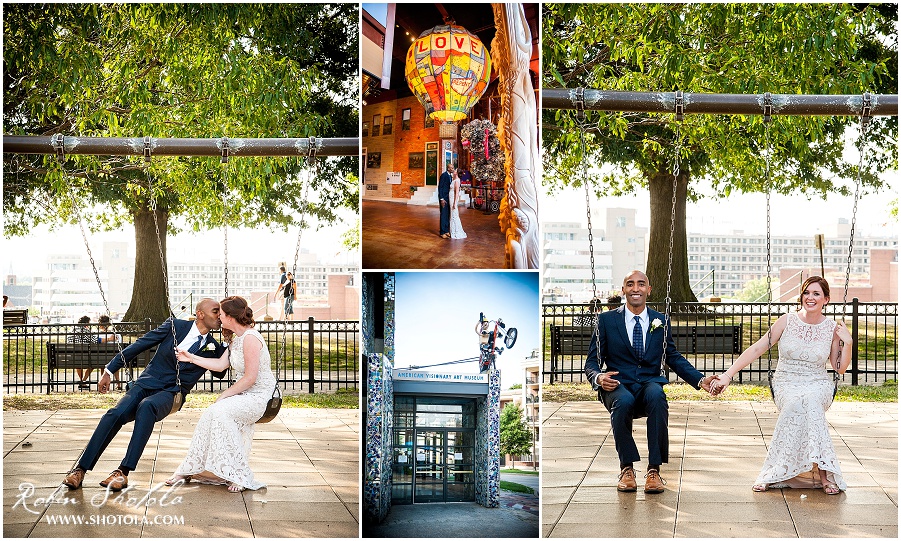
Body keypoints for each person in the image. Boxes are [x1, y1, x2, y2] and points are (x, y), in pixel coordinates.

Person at [62, 299, 227, 492]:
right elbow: (140, 345)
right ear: (200, 314)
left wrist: (228, 339)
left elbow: (220, 372)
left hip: (172, 392)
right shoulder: (175, 326)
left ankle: (122, 472)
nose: (219, 316)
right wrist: (109, 370)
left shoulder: (214, 346)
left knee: (147, 406)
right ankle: (80, 470)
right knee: (114, 414)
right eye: (216, 311)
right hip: (146, 383)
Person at [710, 276, 852, 495]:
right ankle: (777, 472)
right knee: (797, 403)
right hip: (787, 381)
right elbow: (757, 348)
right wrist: (729, 374)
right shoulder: (787, 321)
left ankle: (824, 473)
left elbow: (839, 368)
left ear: (826, 299)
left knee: (811, 402)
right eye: (806, 293)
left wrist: (847, 342)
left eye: (816, 294)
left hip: (817, 382)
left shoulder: (832, 328)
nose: (810, 298)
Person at [584, 270, 715, 493]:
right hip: (617, 384)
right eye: (630, 284)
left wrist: (700, 379)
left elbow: (672, 356)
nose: (636, 288)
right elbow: (591, 362)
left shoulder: (660, 320)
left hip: (648, 383)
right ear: (623, 289)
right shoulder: (606, 320)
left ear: (649, 289)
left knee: (657, 396)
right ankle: (627, 468)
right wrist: (598, 377)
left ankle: (654, 471)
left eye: (641, 284)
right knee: (623, 401)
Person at [166, 296, 275, 492]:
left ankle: (238, 474)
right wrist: (190, 358)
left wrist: (225, 395)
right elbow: (220, 364)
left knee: (220, 412)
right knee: (211, 413)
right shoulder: (237, 339)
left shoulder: (251, 338)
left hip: (259, 396)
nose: (219, 318)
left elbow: (250, 377)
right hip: (244, 395)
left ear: (230, 317)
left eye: (221, 314)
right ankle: (192, 468)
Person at [67, 315, 97, 390]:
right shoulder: (86, 331)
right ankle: (83, 380)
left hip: (72, 358)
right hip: (85, 358)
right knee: (94, 362)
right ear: (87, 323)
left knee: (78, 361)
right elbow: (95, 341)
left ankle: (82, 380)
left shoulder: (72, 331)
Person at [97, 315, 124, 389]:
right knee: (116, 362)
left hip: (101, 359)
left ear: (100, 325)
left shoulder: (98, 335)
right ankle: (118, 384)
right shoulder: (117, 335)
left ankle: (104, 384)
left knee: (102, 364)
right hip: (115, 359)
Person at [449, 168, 467, 239]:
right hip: (450, 198)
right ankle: (452, 230)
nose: (454, 171)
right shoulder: (454, 179)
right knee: (452, 214)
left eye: (455, 170)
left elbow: (456, 193)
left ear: (457, 173)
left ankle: (456, 231)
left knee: (454, 215)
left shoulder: (457, 181)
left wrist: (454, 203)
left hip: (453, 199)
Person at [437, 164, 453, 239]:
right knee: (443, 215)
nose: (453, 169)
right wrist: (441, 198)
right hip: (444, 198)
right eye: (451, 168)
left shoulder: (450, 176)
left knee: (447, 214)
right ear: (448, 168)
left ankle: (446, 230)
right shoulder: (443, 175)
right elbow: (440, 187)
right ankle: (442, 232)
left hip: (448, 198)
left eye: (453, 168)